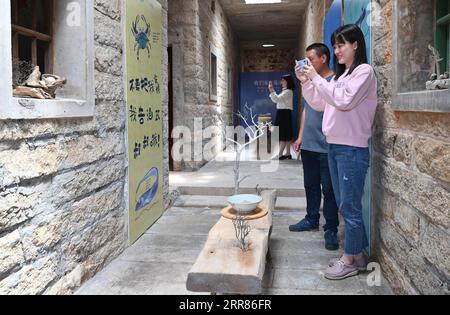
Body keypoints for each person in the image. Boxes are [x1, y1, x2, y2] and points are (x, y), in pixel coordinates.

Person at [295, 24, 378, 280]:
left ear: (355, 44)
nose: (337, 50)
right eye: (335, 45)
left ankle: (349, 259)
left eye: (341, 44)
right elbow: (320, 102)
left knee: (349, 207)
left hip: (352, 149)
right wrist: (307, 83)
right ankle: (359, 256)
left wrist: (317, 78)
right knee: (346, 205)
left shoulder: (364, 72)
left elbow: (343, 101)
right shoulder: (341, 77)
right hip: (336, 146)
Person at [289, 43, 339, 252]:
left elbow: (325, 106)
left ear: (324, 58)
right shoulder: (308, 82)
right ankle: (311, 219)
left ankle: (331, 229)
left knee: (329, 189)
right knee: (310, 185)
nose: (307, 63)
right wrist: (301, 136)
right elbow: (306, 110)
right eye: (305, 59)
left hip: (327, 145)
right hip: (309, 143)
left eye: (311, 59)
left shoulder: (335, 81)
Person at [268, 75, 295, 160]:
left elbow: (277, 99)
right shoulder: (286, 91)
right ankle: (287, 153)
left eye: (283, 80)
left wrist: (271, 90)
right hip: (284, 113)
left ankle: (280, 154)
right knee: (286, 134)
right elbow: (276, 100)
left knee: (283, 134)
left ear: (287, 81)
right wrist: (272, 91)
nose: (281, 82)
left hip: (283, 114)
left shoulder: (288, 92)